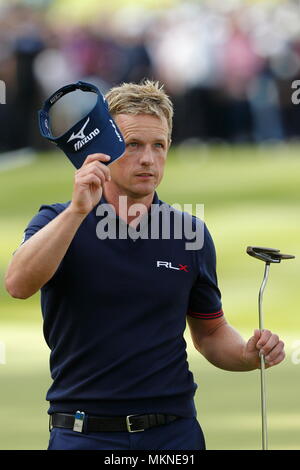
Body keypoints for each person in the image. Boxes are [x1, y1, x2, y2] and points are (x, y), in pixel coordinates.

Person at [5, 80, 285, 451]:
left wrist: (247, 354)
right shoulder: (56, 221)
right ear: (103, 145)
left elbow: (210, 333)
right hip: (83, 433)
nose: (148, 159)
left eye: (159, 145)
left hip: (174, 434)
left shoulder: (189, 233)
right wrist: (77, 211)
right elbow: (18, 284)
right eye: (133, 144)